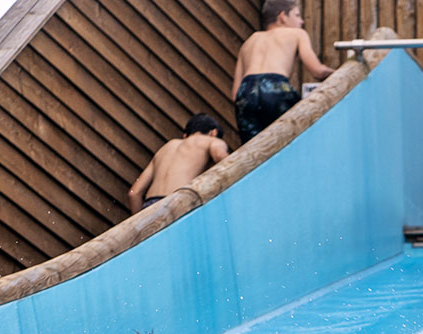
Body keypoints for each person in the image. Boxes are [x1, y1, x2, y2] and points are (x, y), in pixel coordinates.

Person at [232, 0, 331, 143]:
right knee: (293, 141)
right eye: (297, 15)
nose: (302, 21)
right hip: (275, 88)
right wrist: (337, 72)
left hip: (246, 92)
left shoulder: (250, 41)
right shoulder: (297, 34)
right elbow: (317, 71)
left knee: (252, 148)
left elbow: (235, 94)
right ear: (282, 16)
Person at [129, 115, 230, 213]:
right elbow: (220, 157)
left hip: (150, 206)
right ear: (214, 132)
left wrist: (140, 221)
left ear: (185, 135)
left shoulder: (166, 148)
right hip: (178, 202)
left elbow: (134, 193)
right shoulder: (212, 141)